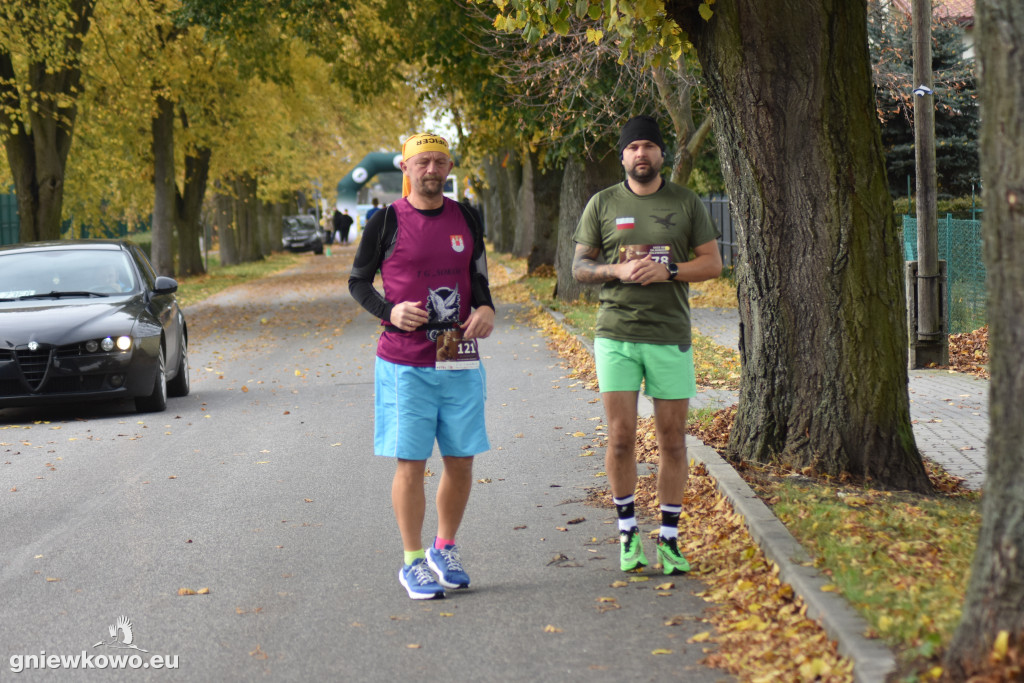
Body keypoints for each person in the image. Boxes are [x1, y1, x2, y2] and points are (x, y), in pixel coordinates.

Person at [571, 115, 722, 576]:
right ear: (623, 156)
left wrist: (670, 271)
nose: (641, 154)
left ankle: (671, 540)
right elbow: (579, 266)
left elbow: (713, 264)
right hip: (615, 334)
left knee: (672, 439)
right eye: (632, 147)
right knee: (620, 437)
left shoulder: (686, 202)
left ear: (661, 154)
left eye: (648, 147)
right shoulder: (602, 203)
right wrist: (615, 271)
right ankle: (628, 533)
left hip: (669, 335)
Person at [348, 133, 495, 600]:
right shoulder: (385, 220)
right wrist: (388, 311)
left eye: (439, 162)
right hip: (405, 362)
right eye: (422, 162)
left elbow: (478, 273)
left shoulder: (467, 216)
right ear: (406, 169)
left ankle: (444, 548)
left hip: (458, 357)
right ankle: (412, 561)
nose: (431, 170)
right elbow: (357, 281)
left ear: (448, 167)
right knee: (411, 463)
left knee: (461, 460)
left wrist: (487, 308)